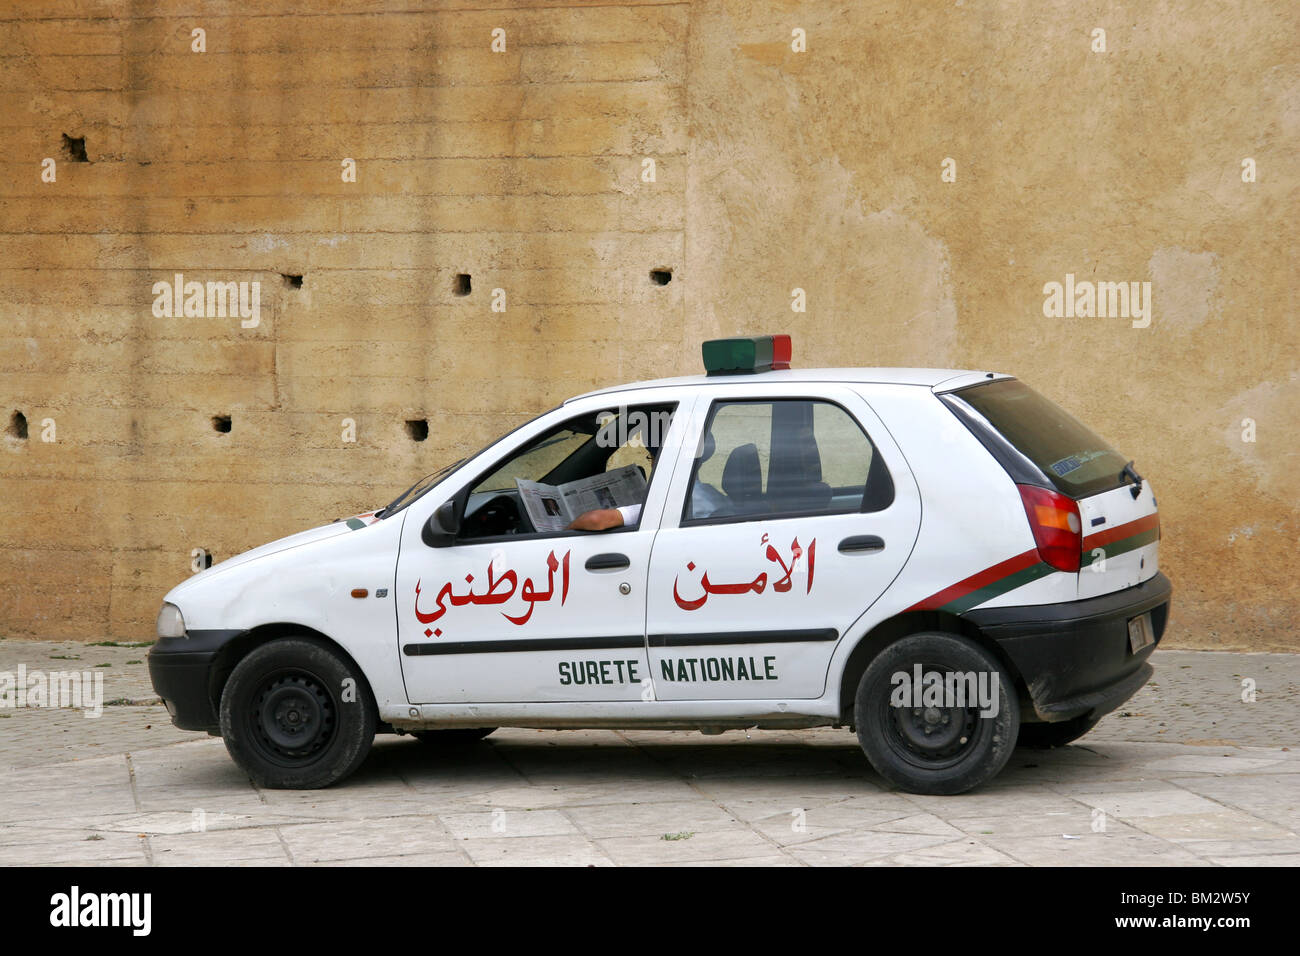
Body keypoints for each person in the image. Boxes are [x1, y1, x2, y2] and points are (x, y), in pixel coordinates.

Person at [566, 432, 726, 531]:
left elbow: (596, 520)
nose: (651, 463)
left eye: (652, 457)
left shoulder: (675, 497)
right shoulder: (709, 493)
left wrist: (566, 531)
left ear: (663, 460)